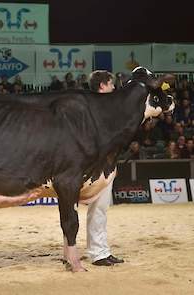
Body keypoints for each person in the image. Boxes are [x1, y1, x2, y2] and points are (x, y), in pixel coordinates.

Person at [86, 70, 124, 266]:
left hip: (103, 163)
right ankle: (97, 252)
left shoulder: (100, 106)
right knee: (98, 208)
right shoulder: (95, 107)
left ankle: (101, 250)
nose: (114, 87)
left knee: (101, 208)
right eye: (111, 84)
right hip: (94, 165)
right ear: (102, 86)